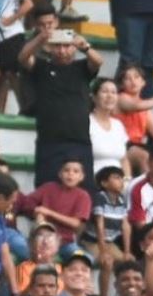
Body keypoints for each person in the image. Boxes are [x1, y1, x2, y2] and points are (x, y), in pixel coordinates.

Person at [19, 26, 101, 186]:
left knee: (83, 191)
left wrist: (85, 47)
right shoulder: (41, 67)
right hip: (49, 141)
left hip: (79, 140)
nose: (62, 50)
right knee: (47, 188)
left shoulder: (82, 67)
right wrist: (40, 39)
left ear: (73, 47)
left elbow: (98, 61)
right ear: (49, 47)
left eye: (66, 46)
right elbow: (23, 58)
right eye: (57, 45)